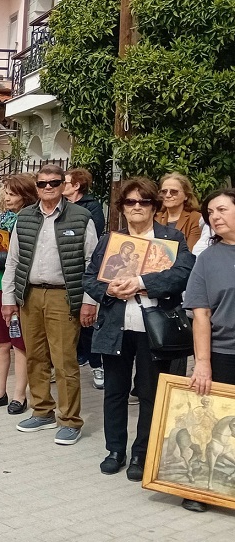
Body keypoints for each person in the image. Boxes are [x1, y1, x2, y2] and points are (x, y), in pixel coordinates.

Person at [84, 178, 193, 482]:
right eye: (130, 202)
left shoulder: (172, 239)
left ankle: (140, 453)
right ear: (121, 208)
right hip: (115, 327)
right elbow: (89, 277)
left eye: (143, 202)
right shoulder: (110, 240)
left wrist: (141, 282)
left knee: (149, 392)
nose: (136, 207)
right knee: (115, 392)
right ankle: (115, 450)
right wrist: (109, 290)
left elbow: (182, 273)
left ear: (154, 207)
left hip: (154, 329)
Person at [2, 164, 99, 446]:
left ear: (63, 185)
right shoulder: (25, 217)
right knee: (35, 356)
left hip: (63, 296)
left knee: (64, 360)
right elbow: (13, 260)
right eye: (42, 183)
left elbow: (92, 262)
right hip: (30, 295)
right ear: (36, 187)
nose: (48, 188)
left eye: (54, 183)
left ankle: (69, 420)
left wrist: (89, 301)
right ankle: (42, 410)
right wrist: (8, 299)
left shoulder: (81, 217)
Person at [183, 188, 235, 512]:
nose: (215, 217)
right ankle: (203, 488)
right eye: (210, 213)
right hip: (223, 352)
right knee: (216, 424)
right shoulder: (207, 259)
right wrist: (202, 362)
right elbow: (200, 314)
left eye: (221, 210)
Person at [0, 173, 37, 413]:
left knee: (20, 344)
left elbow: (30, 255)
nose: (7, 198)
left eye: (12, 194)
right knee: (0, 342)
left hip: (22, 291)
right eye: (6, 193)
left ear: (25, 195)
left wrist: (0, 258)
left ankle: (19, 395)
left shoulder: (33, 220)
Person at [64, 168, 109, 386]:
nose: (60, 186)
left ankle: (97, 366)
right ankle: (78, 356)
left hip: (85, 269)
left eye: (65, 182)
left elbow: (93, 237)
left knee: (88, 322)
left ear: (76, 186)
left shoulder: (91, 207)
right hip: (65, 272)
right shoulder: (61, 206)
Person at [156, 173, 203, 251]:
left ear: (186, 196)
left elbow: (190, 251)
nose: (167, 195)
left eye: (174, 192)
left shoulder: (196, 218)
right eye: (164, 191)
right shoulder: (156, 217)